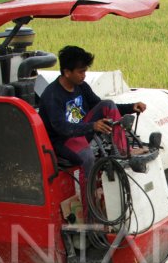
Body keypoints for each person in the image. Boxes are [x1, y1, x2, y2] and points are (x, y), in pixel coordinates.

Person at [38, 46, 146, 178]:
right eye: (80, 72)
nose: (84, 76)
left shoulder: (81, 86)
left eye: (85, 71)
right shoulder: (52, 95)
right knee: (87, 157)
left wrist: (131, 107)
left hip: (82, 130)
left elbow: (99, 105)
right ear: (67, 72)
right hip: (64, 139)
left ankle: (123, 149)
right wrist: (92, 126)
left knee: (108, 104)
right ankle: (89, 196)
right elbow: (61, 128)